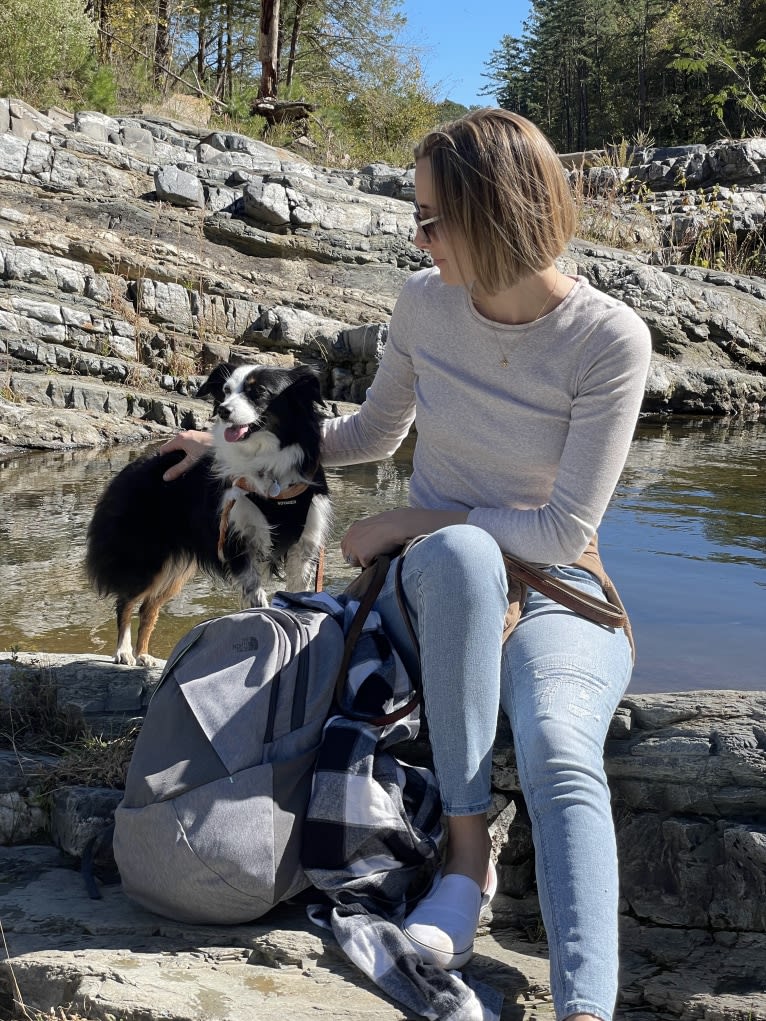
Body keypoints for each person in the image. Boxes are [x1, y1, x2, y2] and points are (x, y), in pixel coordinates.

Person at [160, 108, 652, 1021]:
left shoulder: (608, 340)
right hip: (436, 586)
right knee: (460, 552)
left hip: (560, 590)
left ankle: (588, 1008)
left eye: (431, 218)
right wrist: (232, 446)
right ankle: (466, 860)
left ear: (496, 211)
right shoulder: (424, 303)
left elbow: (557, 528)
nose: (416, 236)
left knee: (557, 742)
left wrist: (406, 516)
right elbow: (369, 433)